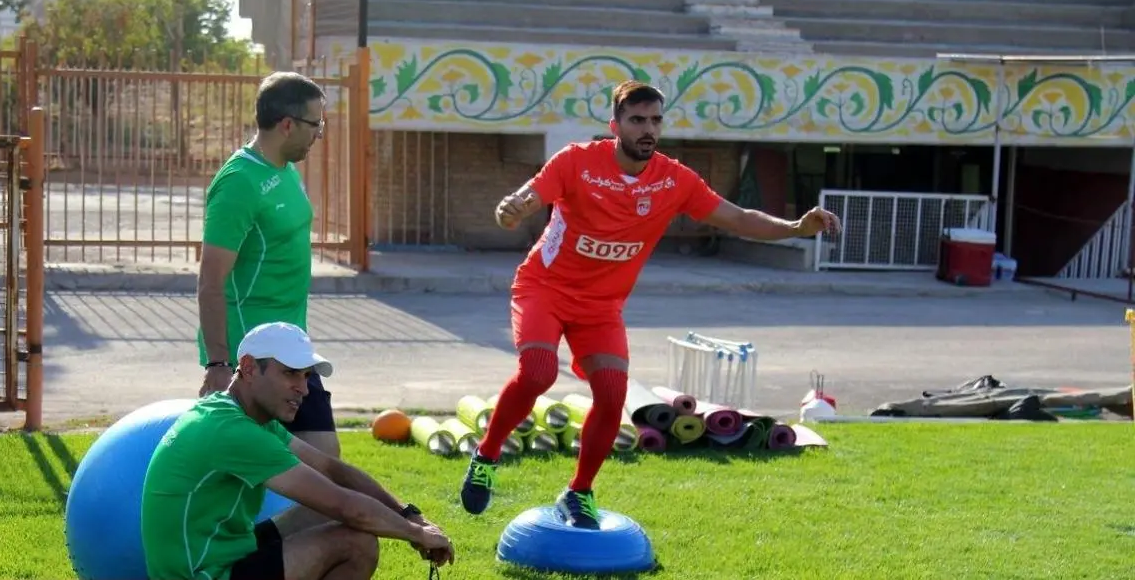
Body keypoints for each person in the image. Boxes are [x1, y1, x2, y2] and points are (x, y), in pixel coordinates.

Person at [458, 80, 842, 529]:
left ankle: (578, 492)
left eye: (655, 120)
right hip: (545, 288)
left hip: (601, 306)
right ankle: (485, 457)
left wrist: (796, 227)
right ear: (615, 124)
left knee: (612, 392)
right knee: (539, 372)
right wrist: (514, 207)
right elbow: (528, 196)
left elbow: (738, 218)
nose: (648, 129)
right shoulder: (577, 161)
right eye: (637, 120)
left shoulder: (674, 180)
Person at [142, 321, 455, 580]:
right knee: (357, 543)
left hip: (227, 553)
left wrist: (410, 516)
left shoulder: (241, 415)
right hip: (204, 574)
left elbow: (333, 470)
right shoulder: (231, 431)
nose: (303, 389)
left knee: (320, 508)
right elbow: (345, 506)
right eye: (290, 373)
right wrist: (416, 535)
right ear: (249, 368)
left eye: (306, 376)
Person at [196, 71, 345, 475]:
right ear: (286, 125)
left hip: (291, 345)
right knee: (309, 471)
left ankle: (287, 537)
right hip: (256, 359)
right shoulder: (239, 182)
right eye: (316, 125)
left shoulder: (284, 169)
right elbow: (211, 280)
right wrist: (218, 364)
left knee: (323, 466)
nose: (319, 135)